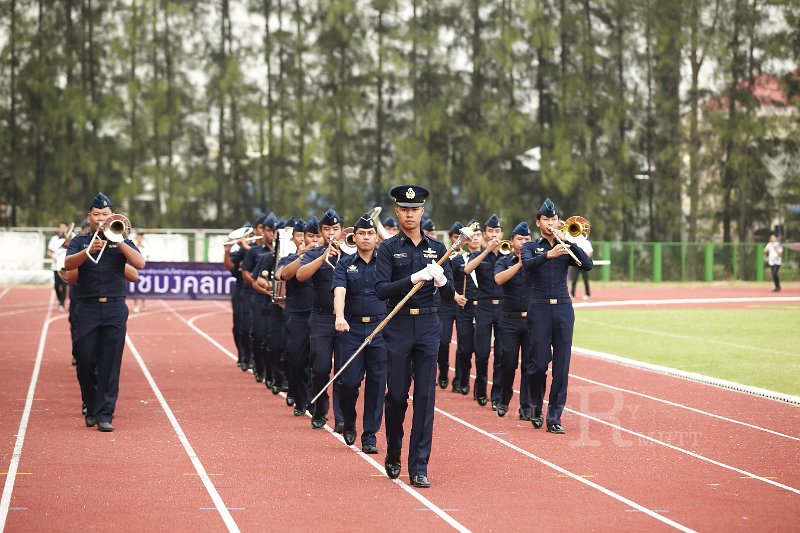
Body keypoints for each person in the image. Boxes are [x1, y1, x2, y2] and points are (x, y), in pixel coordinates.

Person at [375, 185, 455, 488]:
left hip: (427, 327)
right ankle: (394, 450)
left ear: (422, 211)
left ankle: (419, 465)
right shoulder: (387, 248)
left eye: (415, 209)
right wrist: (412, 278)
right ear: (398, 211)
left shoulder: (436, 247)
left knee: (425, 397)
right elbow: (380, 289)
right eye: (405, 209)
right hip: (397, 328)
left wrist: (442, 279)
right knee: (396, 396)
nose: (410, 214)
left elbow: (449, 295)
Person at [64, 192, 145, 432]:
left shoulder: (121, 240)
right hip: (86, 307)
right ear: (89, 217)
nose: (101, 218)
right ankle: (90, 404)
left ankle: (105, 414)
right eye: (97, 214)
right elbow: (69, 266)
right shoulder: (80, 241)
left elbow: (139, 264)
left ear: (113, 218)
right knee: (86, 360)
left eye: (106, 215)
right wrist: (89, 249)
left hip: (114, 307)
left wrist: (118, 241)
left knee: (111, 362)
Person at [521, 198, 592, 434]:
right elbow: (528, 266)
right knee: (538, 364)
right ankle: (535, 404)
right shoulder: (530, 247)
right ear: (538, 222)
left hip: (563, 308)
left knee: (562, 366)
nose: (550, 223)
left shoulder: (566, 245)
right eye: (546, 219)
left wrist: (572, 241)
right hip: (539, 308)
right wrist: (549, 255)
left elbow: (588, 265)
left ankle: (554, 417)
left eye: (554, 219)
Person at [332, 212, 388, 454]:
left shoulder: (386, 264)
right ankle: (349, 420)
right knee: (349, 382)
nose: (366, 237)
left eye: (370, 233)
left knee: (377, 385)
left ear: (376, 237)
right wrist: (340, 317)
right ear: (354, 237)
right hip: (352, 329)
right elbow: (340, 292)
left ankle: (370, 436)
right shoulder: (345, 263)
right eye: (362, 234)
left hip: (379, 329)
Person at [297, 209, 345, 432]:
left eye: (335, 229)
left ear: (341, 230)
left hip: (346, 317)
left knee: (345, 371)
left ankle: (343, 416)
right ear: (321, 231)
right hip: (321, 318)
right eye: (327, 229)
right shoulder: (314, 253)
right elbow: (301, 275)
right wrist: (323, 256)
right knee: (320, 367)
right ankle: (319, 409)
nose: (331, 233)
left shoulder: (350, 252)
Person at [277, 218, 319, 415]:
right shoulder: (289, 258)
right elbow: (282, 275)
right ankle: (300, 400)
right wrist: (304, 255)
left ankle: (314, 402)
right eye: (305, 236)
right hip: (297, 316)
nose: (309, 240)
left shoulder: (327, 256)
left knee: (318, 363)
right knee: (296, 360)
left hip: (320, 316)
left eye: (313, 235)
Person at [464, 214, 504, 409]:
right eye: (490, 231)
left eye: (497, 231)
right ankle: (480, 389)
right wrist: (486, 250)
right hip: (484, 306)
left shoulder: (507, 254)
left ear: (502, 233)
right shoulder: (478, 254)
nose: (494, 234)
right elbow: (467, 270)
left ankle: (497, 395)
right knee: (481, 352)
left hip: (504, 307)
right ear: (485, 234)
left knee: (501, 354)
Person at [493, 222, 533, 420]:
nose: (524, 242)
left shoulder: (537, 260)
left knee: (529, 365)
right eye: (520, 239)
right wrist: (519, 264)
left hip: (532, 321)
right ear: (512, 242)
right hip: (509, 320)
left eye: (527, 239)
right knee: (508, 363)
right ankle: (504, 398)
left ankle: (526, 407)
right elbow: (499, 279)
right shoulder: (504, 260)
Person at [451, 221, 481, 395]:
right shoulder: (457, 261)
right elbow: (448, 281)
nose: (475, 238)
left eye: (478, 235)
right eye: (472, 236)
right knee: (464, 347)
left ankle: (480, 386)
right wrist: (456, 295)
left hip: (483, 307)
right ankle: (461, 379)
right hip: (465, 307)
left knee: (482, 349)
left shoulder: (492, 258)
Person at [436, 222, 463, 390]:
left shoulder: (473, 256)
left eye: (462, 239)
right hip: (446, 302)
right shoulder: (444, 255)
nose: (459, 241)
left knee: (464, 344)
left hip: (463, 304)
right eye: (455, 238)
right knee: (444, 341)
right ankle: (444, 369)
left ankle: (459, 379)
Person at [47, 222, 70, 311]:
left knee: (64, 285)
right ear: (58, 229)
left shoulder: (70, 238)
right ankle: (60, 300)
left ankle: (62, 303)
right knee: (57, 285)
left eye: (64, 227)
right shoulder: (54, 239)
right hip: (55, 266)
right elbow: (49, 251)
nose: (62, 229)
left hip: (65, 266)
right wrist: (54, 257)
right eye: (61, 227)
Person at [569, 234, 593, 300]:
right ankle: (572, 294)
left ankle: (587, 294)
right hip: (576, 264)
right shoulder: (574, 242)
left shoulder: (586, 242)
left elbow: (590, 252)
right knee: (574, 280)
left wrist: (584, 260)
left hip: (584, 264)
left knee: (585, 280)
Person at [132, 232, 150, 312]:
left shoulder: (146, 248)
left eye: (140, 238)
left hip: (144, 271)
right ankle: (136, 305)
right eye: (137, 237)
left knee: (144, 288)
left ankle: (144, 304)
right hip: (135, 269)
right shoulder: (133, 247)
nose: (139, 239)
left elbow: (148, 258)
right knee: (135, 287)